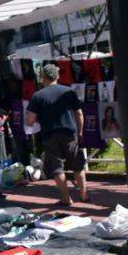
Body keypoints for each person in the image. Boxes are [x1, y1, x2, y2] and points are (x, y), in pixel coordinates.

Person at [26, 64, 89, 205]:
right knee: (77, 165)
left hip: (50, 136)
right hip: (69, 133)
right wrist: (80, 132)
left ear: (43, 78)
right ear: (57, 76)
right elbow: (79, 113)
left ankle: (66, 198)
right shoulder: (69, 92)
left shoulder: (37, 96)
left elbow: (30, 121)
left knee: (57, 167)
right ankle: (84, 194)